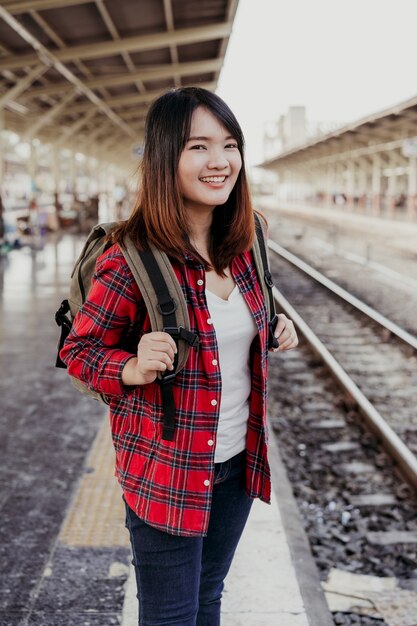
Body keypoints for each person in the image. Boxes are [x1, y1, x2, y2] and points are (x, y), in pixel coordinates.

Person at [60, 87, 298, 626]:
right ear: (167, 156)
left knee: (209, 595)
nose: (220, 162)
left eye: (230, 144)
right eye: (199, 147)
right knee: (170, 617)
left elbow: (245, 321)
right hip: (167, 469)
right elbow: (78, 350)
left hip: (239, 460)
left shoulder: (250, 237)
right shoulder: (130, 254)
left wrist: (276, 327)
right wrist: (132, 366)